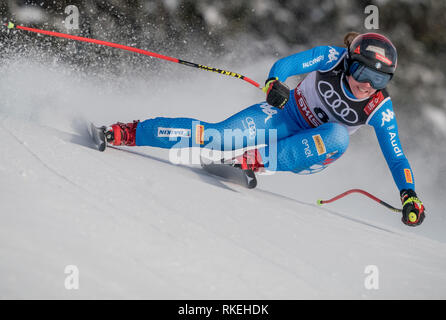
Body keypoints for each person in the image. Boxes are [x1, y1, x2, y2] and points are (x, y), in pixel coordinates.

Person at [102, 32, 425, 227]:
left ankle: (258, 160)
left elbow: (396, 158)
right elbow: (289, 65)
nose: (368, 84)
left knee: (339, 136)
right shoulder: (333, 58)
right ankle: (128, 132)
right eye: (362, 72)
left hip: (310, 150)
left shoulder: (379, 108)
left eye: (380, 80)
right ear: (351, 61)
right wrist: (274, 83)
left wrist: (409, 195)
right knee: (215, 136)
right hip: (282, 116)